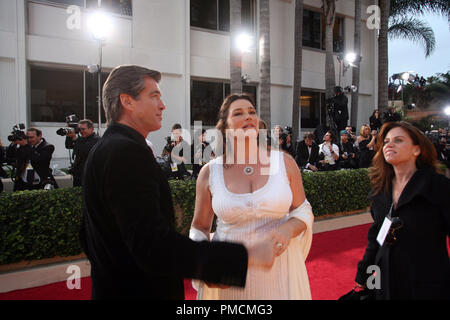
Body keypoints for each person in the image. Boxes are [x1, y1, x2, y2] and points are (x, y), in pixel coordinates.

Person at [80, 65, 276, 300]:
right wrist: (244, 257)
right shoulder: (126, 152)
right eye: (154, 96)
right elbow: (153, 246)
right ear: (127, 101)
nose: (162, 105)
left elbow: (88, 235)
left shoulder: (104, 148)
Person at [189, 93, 314, 300]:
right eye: (238, 113)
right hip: (230, 277)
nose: (248, 116)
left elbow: (303, 210)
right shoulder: (210, 172)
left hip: (281, 271)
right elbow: (200, 227)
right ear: (225, 126)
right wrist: (204, 262)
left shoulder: (284, 162)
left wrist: (287, 229)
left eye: (252, 112)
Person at [354, 121, 450, 299]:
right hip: (387, 284)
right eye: (386, 141)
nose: (389, 144)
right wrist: (364, 273)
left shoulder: (438, 187)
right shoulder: (380, 193)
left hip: (428, 284)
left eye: (398, 140)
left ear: (417, 150)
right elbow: (377, 236)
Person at [65, 119, 100, 187]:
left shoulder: (96, 139)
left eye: (83, 129)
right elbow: (68, 146)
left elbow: (84, 150)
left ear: (91, 129)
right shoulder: (81, 139)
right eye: (79, 129)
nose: (81, 132)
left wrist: (75, 138)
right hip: (78, 174)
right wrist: (69, 135)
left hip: (89, 174)